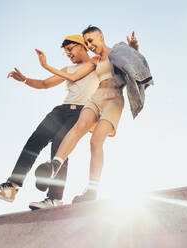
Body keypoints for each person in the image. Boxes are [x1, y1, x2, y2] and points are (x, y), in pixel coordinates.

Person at [0, 33, 139, 209]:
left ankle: (54, 198)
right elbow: (44, 84)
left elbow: (121, 65)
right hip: (61, 110)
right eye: (65, 52)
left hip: (81, 111)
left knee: (59, 146)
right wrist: (25, 80)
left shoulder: (96, 62)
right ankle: (12, 186)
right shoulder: (66, 69)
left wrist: (132, 50)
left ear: (82, 46)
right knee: (34, 142)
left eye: (70, 49)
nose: (68, 54)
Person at [34, 26, 144, 203]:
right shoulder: (95, 61)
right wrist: (46, 65)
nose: (89, 45)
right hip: (96, 98)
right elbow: (72, 77)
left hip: (113, 101)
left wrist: (134, 49)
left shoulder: (117, 52)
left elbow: (134, 66)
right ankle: (54, 165)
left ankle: (91, 190)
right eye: (86, 43)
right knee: (79, 126)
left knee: (95, 141)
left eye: (91, 41)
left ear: (101, 36)